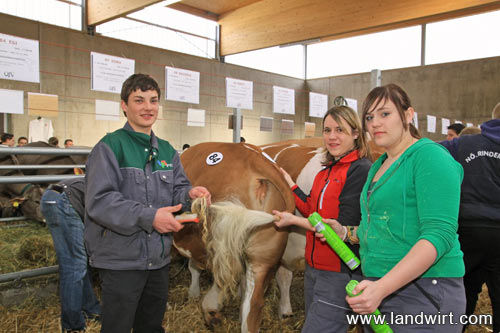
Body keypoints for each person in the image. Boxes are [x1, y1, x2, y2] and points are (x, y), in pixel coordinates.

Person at [332, 84, 465, 332]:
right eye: (369, 117)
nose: (375, 123)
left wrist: (382, 288)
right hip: (380, 287)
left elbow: (439, 235)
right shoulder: (379, 165)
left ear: (407, 115)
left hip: (424, 291)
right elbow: (381, 227)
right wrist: (344, 233)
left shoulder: (429, 157)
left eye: (385, 114)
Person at [84, 73, 211, 333]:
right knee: (117, 327)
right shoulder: (110, 147)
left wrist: (190, 196)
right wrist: (149, 217)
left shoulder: (166, 150)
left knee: (151, 326)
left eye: (153, 101)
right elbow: (100, 200)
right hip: (121, 260)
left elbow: (177, 190)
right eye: (139, 100)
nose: (148, 107)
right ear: (124, 105)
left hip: (158, 259)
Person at [272, 105, 372, 332]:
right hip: (314, 268)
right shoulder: (325, 171)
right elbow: (311, 209)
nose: (332, 136)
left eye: (340, 130)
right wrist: (289, 183)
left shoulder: (360, 170)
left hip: (341, 270)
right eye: (327, 130)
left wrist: (292, 221)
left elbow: (340, 228)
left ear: (356, 133)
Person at [440, 102, 500, 332]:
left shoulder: (464, 143)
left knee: (464, 288)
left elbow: (431, 151)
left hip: (468, 227)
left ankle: (457, 327)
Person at [40, 178, 101, 333]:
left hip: (52, 197)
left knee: (77, 262)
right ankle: (72, 325)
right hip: (65, 201)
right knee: (74, 265)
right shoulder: (120, 190)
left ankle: (91, 309)